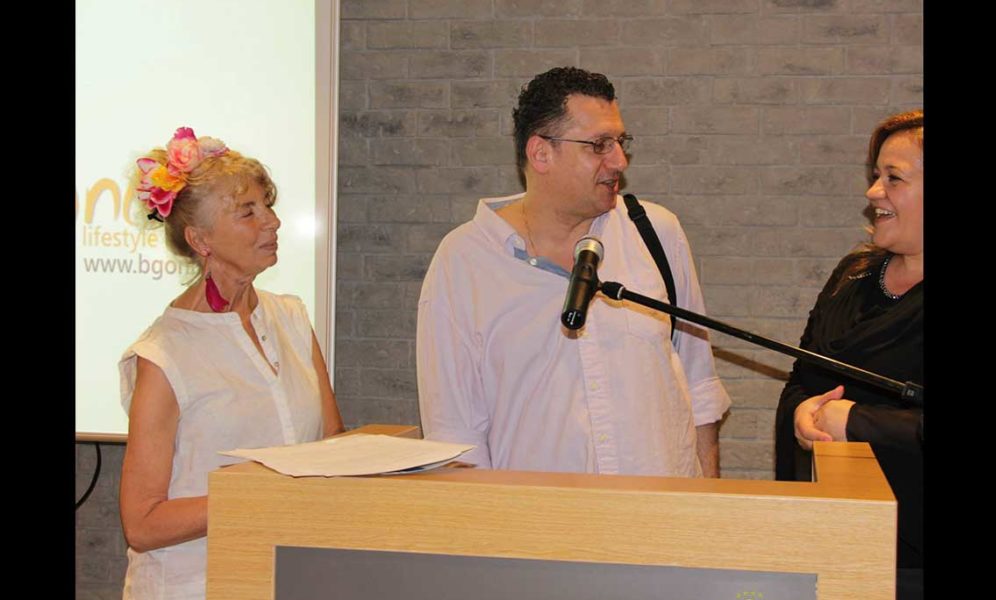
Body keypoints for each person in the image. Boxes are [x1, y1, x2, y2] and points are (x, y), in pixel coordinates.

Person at [416, 67, 730, 477]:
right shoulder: (464, 261)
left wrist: (705, 504)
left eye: (620, 143)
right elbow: (455, 437)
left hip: (660, 511)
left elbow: (700, 390)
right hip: (535, 516)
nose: (619, 161)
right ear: (540, 153)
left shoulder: (656, 233)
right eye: (599, 145)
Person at [118, 127, 344, 600]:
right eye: (248, 211)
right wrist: (257, 496)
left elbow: (331, 446)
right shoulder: (164, 354)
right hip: (193, 587)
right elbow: (142, 523)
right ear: (200, 239)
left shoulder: (292, 318)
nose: (272, 222)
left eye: (268, 205)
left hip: (288, 575)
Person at [773, 110, 923, 598]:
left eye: (893, 178)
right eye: (876, 176)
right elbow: (802, 376)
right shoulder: (852, 274)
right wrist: (802, 413)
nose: (873, 192)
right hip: (834, 539)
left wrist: (856, 422)